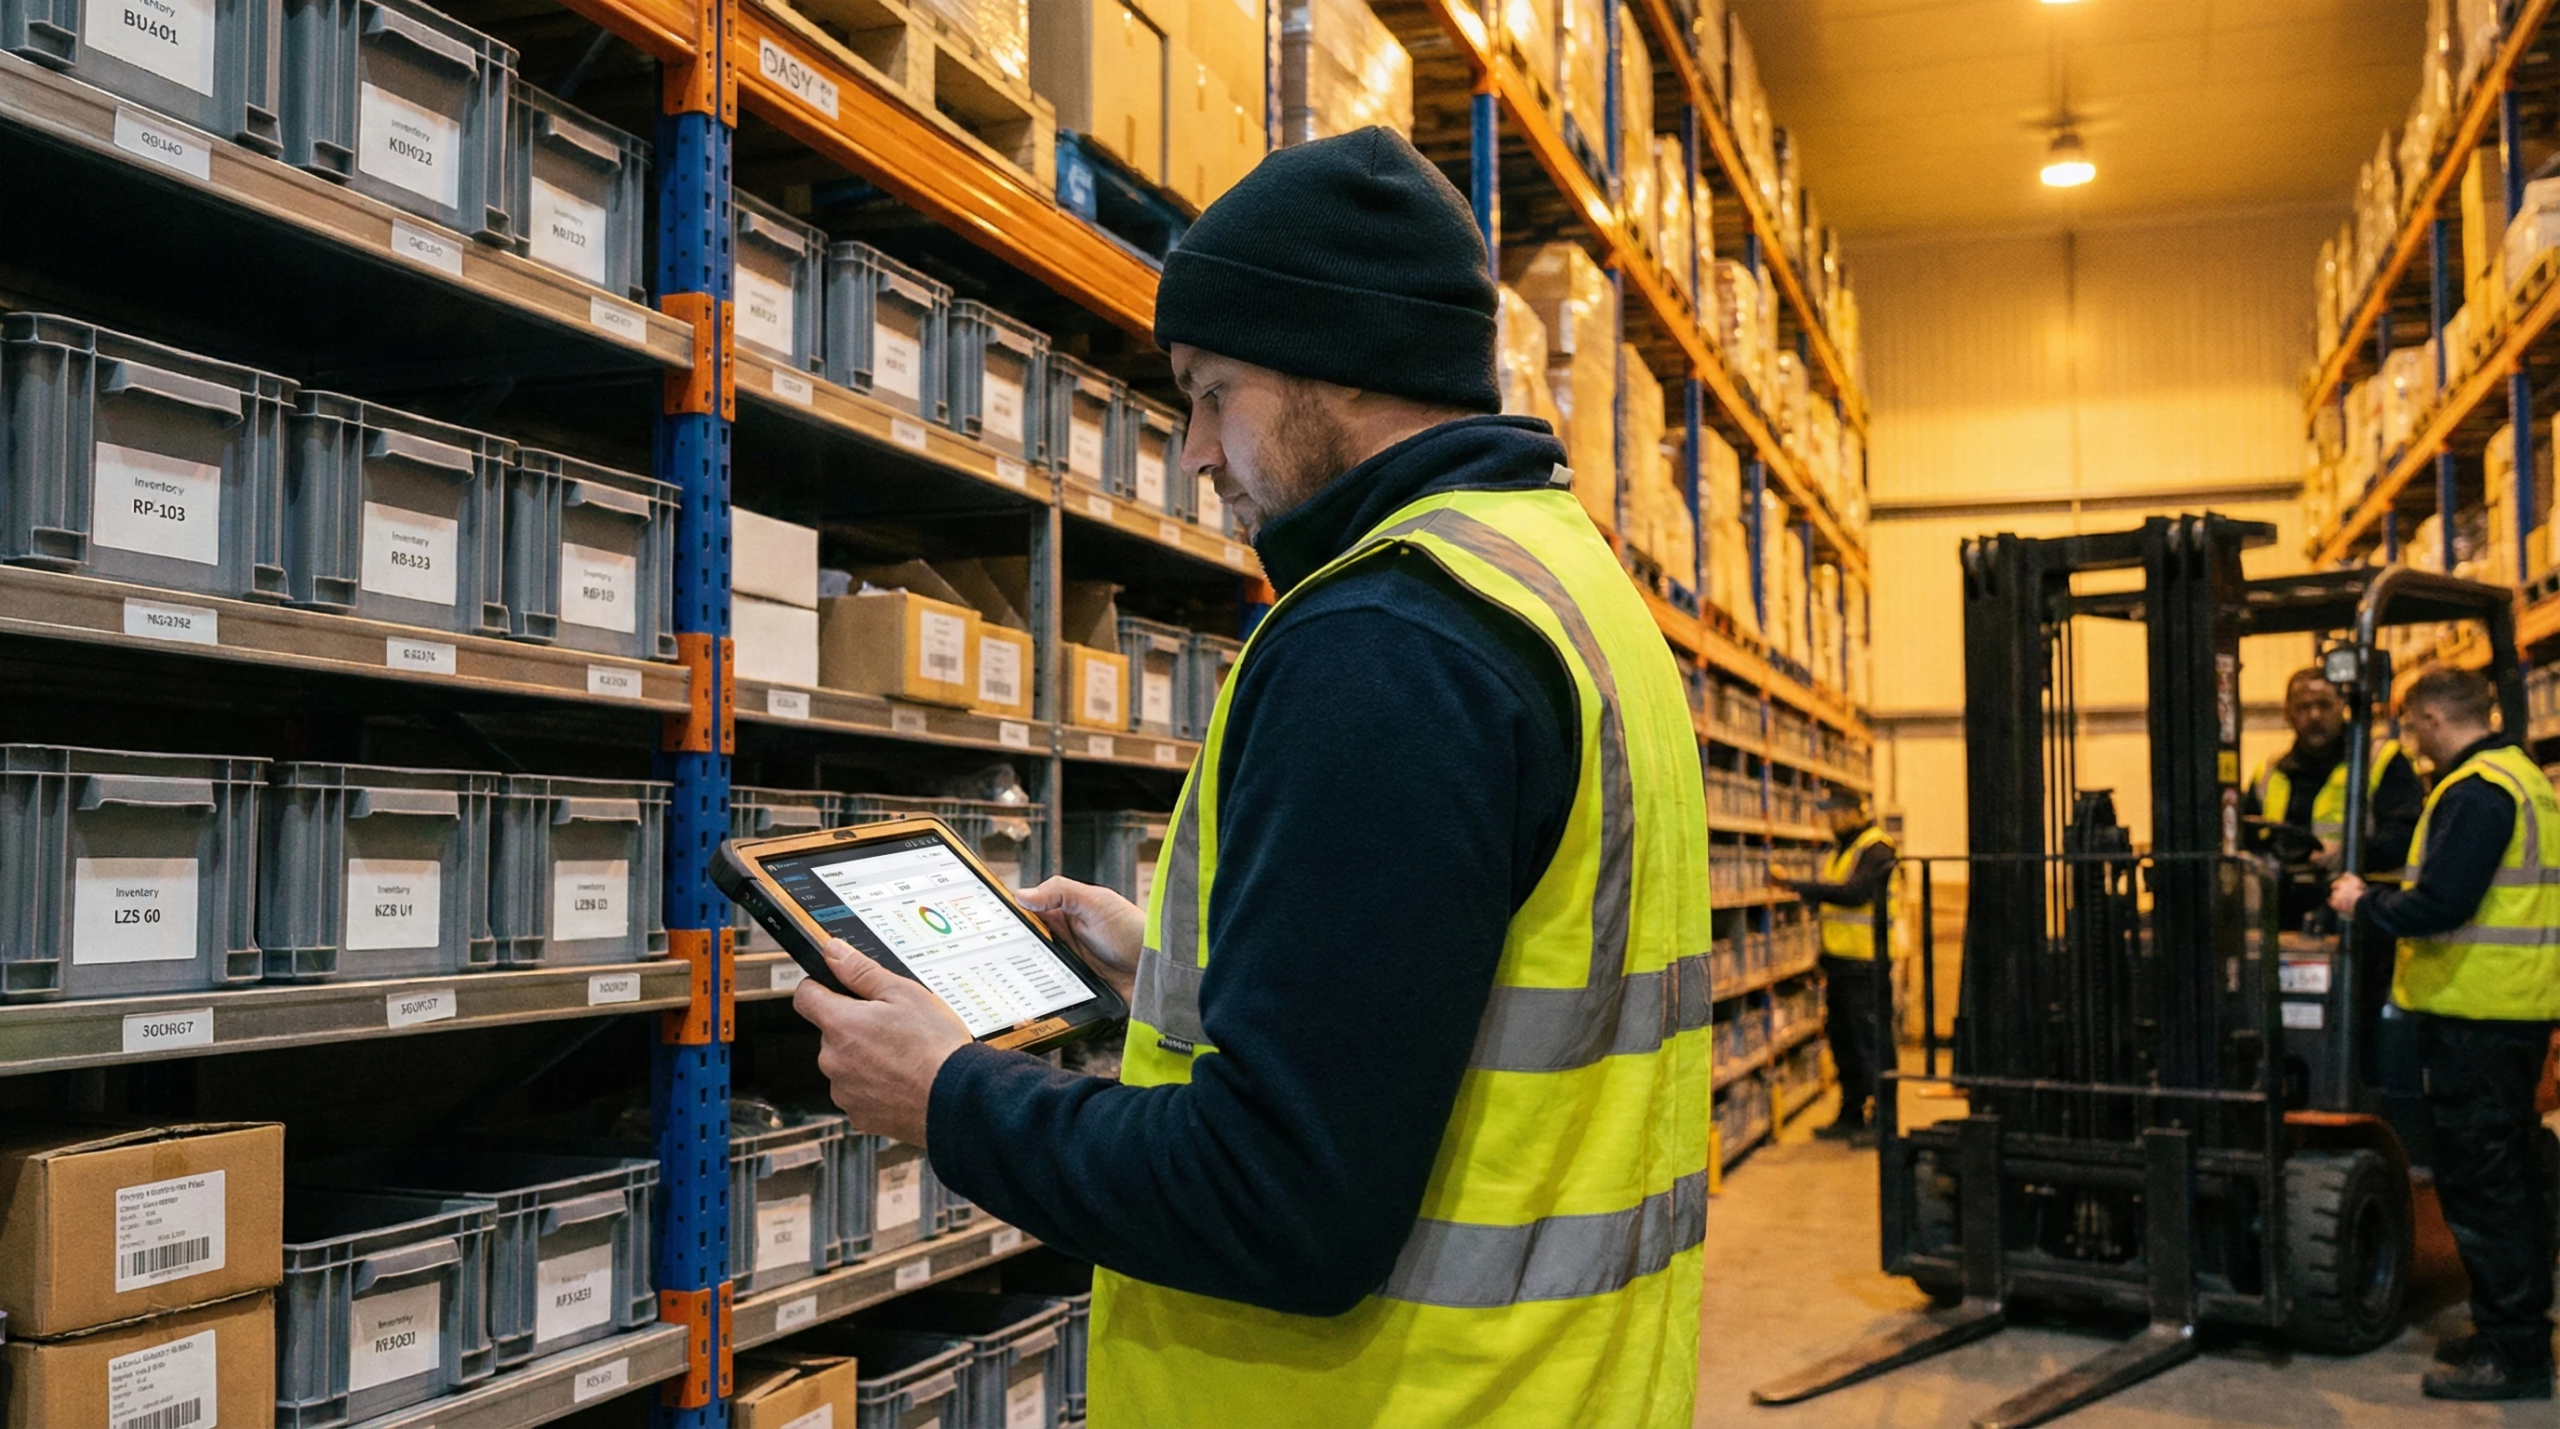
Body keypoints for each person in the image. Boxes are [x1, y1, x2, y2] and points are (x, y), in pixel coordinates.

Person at [788, 128, 1715, 1428]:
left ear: (1333, 363)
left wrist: (950, 1097)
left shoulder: (1383, 642)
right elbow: (1463, 1000)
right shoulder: (1561, 584)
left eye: (1212, 390)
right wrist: (1194, 985)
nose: (1196, 454)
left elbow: (1278, 1201)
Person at [2329, 666, 2560, 1402]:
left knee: (2484, 1188)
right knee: (2510, 1179)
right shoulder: (2524, 778)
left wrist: (2363, 901)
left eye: (2410, 724)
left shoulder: (2476, 790)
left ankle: (2517, 1356)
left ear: (2430, 717)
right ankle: (2510, 1328)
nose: (2410, 739)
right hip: (2508, 1012)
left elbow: (2444, 905)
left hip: (2477, 1018)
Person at [2244, 665, 2423, 928]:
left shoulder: (2381, 760)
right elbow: (2247, 837)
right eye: (2304, 707)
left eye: (2324, 705)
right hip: (2286, 913)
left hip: (2362, 910)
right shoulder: (2269, 772)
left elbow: (2405, 835)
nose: (2314, 715)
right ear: (2288, 713)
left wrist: (2347, 854)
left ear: (2342, 706)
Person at [1774, 790, 1897, 1146]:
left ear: (1857, 812)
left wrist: (1797, 885)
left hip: (1868, 962)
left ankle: (1883, 1121)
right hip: (1841, 962)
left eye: (1838, 812)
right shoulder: (1840, 851)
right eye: (1829, 813)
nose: (1832, 819)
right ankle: (1851, 1114)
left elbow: (1856, 893)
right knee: (1843, 1040)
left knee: (1871, 1042)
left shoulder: (1877, 848)